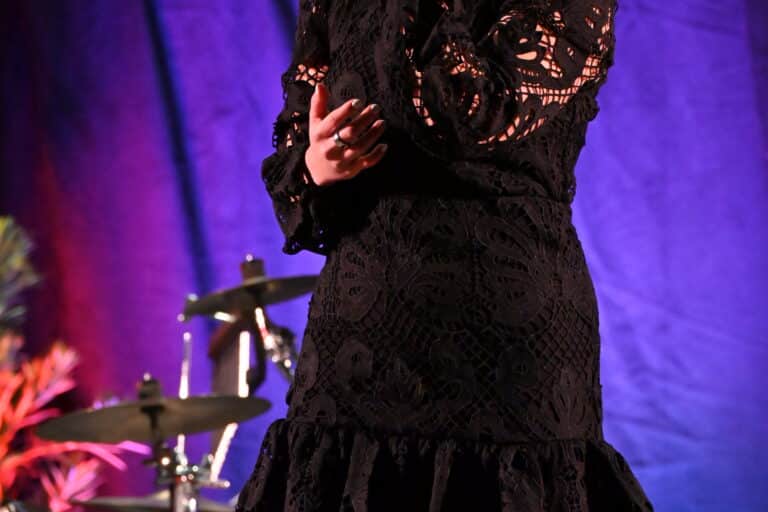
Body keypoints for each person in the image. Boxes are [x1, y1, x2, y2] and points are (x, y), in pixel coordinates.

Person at [238, 0, 655, 510]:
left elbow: (469, 113)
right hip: (360, 333)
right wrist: (316, 163)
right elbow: (297, 147)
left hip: (504, 333)